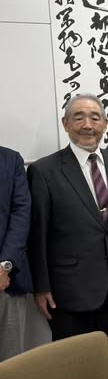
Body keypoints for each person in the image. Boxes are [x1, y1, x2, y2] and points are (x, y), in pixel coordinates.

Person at [27, 94, 108, 373]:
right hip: (67, 290)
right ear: (65, 123)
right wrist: (41, 286)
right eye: (78, 117)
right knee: (72, 368)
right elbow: (37, 234)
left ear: (105, 123)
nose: (87, 125)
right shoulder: (44, 170)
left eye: (95, 117)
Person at [0, 146, 33, 361]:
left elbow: (21, 212)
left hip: (5, 282)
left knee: (10, 365)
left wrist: (5, 265)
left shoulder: (11, 160)